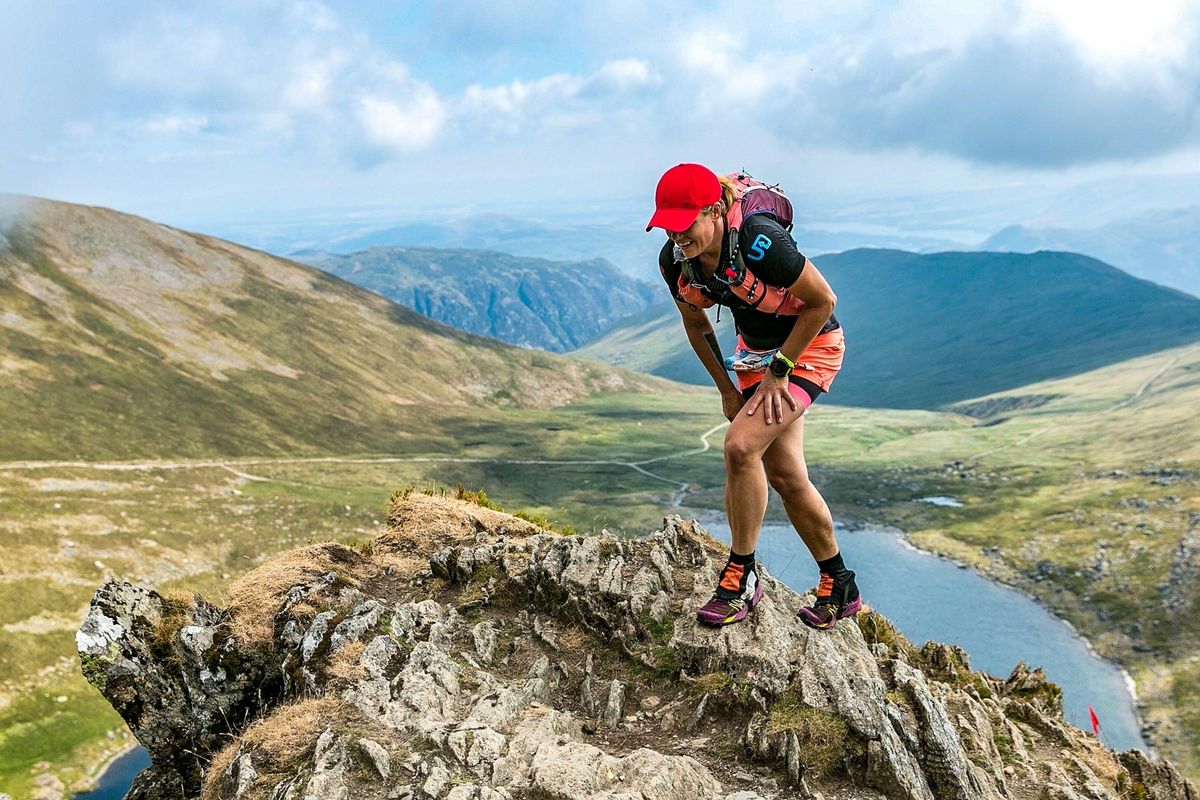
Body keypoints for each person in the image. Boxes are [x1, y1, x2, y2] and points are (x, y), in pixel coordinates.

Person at [646, 163, 862, 629]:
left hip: (809, 348)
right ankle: (839, 582)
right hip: (753, 356)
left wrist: (780, 372)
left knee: (740, 448)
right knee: (785, 476)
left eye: (684, 225)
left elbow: (824, 300)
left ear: (714, 210)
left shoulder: (762, 242)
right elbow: (696, 323)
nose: (675, 236)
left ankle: (740, 578)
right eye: (667, 225)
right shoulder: (675, 261)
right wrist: (726, 388)